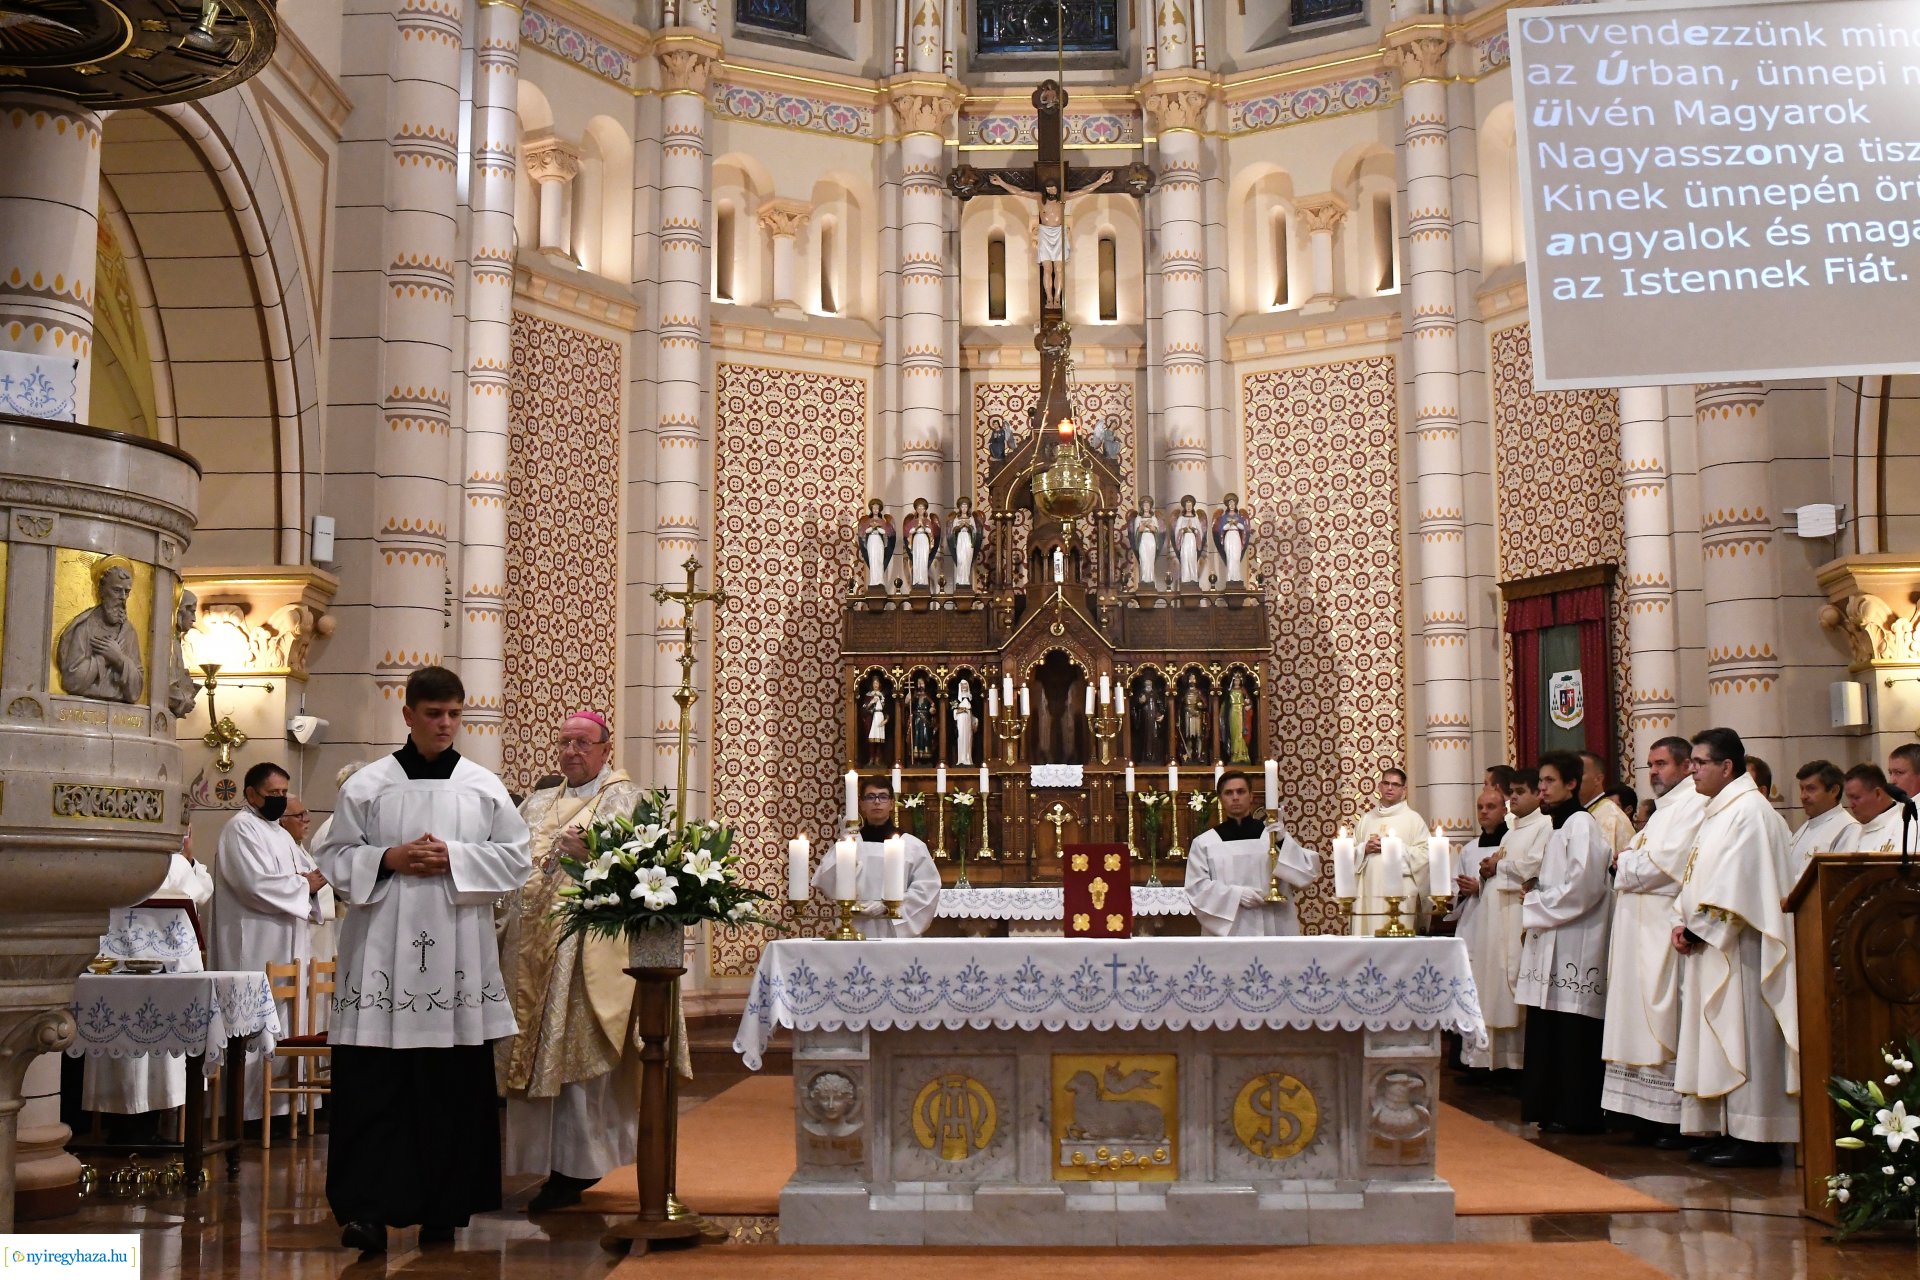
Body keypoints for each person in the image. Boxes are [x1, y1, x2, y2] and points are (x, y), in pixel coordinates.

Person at [315, 665, 532, 1252]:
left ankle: (445, 1206)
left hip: (455, 964)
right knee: (374, 1089)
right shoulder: (368, 785)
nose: (444, 724)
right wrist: (387, 858)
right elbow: (332, 856)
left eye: (454, 714)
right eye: (433, 714)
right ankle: (366, 1210)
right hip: (382, 962)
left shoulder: (482, 786)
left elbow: (517, 860)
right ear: (407, 715)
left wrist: (454, 859)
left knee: (449, 1093)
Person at [498, 712, 645, 1212]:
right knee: (532, 1065)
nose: (571, 751)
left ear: (607, 748)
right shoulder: (537, 802)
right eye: (564, 742)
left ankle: (574, 1166)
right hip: (527, 948)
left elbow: (647, 875)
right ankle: (537, 1160)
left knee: (574, 1062)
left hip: (584, 950)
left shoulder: (628, 800)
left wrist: (599, 854)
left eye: (583, 743)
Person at [1672, 727, 1797, 1168]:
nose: (1691, 771)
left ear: (1727, 766)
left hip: (1745, 951)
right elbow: (1697, 878)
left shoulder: (1750, 813)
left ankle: (1756, 1134)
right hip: (1713, 943)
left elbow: (1740, 887)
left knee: (1745, 1038)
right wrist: (1682, 921)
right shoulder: (1719, 811)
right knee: (1722, 1037)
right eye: (1690, 762)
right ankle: (1725, 1127)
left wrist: (1697, 928)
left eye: (1699, 763)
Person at [1600, 736, 1706, 1147]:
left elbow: (1666, 866)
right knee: (1636, 1016)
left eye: (1661, 764)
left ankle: (1668, 1116)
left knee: (1662, 1019)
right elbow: (1631, 858)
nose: (1654, 772)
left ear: (1684, 766)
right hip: (1636, 931)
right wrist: (1628, 861)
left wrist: (1625, 863)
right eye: (1650, 765)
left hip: (1660, 930)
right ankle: (1642, 1113)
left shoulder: (1692, 806)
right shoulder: (1663, 812)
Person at [212, 761, 323, 1124]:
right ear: (250, 794)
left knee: (286, 1025)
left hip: (287, 945)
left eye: (282, 793)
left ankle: (283, 1109)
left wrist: (312, 883)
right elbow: (254, 884)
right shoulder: (240, 830)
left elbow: (310, 875)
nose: (279, 800)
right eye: (272, 794)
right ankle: (248, 1114)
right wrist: (304, 885)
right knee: (254, 1025)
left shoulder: (276, 831)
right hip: (254, 944)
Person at [83, 830, 216, 1133]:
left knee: (119, 1044)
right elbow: (199, 893)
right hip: (167, 970)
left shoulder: (110, 861)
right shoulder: (173, 865)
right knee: (158, 1051)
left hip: (118, 967)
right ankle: (156, 1126)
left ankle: (113, 1127)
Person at [1516, 751, 1613, 1134]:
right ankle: (1551, 1105)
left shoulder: (1581, 824)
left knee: (1573, 1033)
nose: (1542, 789)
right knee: (1550, 1028)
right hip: (1556, 937)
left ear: (1572, 784)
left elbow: (1585, 886)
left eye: (1549, 781)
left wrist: (1537, 902)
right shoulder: (1560, 826)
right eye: (1540, 782)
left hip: (1576, 943)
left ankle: (1576, 1111)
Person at [1466, 770, 1552, 1072]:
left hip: (1516, 915)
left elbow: (1536, 865)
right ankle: (1492, 1061)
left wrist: (1498, 865)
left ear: (1536, 795)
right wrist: (1489, 868)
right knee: (1491, 985)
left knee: (1511, 984)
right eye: (1511, 792)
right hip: (1493, 916)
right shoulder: (1513, 829)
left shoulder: (1545, 825)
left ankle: (1517, 1063)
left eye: (1519, 792)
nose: (1512, 797)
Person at [1184, 770, 1320, 936]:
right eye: (1229, 793)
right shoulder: (1205, 843)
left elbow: (1306, 874)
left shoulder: (1271, 836)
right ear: (1220, 799)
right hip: (1231, 932)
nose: (1235, 797)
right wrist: (1236, 895)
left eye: (1241, 791)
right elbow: (1197, 889)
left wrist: (1283, 841)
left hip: (1273, 923)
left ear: (1251, 796)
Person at [811, 777, 940, 938]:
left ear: (892, 803)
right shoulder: (850, 843)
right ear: (862, 804)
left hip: (893, 931)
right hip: (854, 927)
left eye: (883, 796)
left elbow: (927, 890)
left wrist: (888, 905)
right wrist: (842, 847)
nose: (877, 802)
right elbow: (826, 880)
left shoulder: (912, 846)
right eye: (870, 797)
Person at [1349, 768, 1432, 937]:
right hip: (1367, 893)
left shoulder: (1413, 819)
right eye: (1386, 783)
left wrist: (1394, 848)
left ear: (1404, 790)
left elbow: (1425, 856)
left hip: (1400, 894)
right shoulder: (1366, 819)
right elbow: (1348, 856)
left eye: (1395, 784)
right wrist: (1364, 849)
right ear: (1379, 786)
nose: (1390, 788)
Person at [54, 558, 145, 702]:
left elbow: (136, 690)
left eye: (126, 592)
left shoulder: (129, 632)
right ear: (101, 589)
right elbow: (71, 681)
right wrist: (104, 658)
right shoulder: (84, 627)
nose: (122, 598)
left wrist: (120, 660)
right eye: (116, 590)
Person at [1788, 760, 1851, 871]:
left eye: (1810, 789)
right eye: (1801, 789)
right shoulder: (1805, 827)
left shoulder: (1848, 829)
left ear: (1834, 791)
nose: (1803, 796)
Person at [1578, 750, 1635, 855]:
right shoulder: (1579, 812)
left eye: (1578, 773)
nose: (1572, 779)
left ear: (1598, 779)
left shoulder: (1611, 818)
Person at [1838, 763, 1903, 852]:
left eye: (1856, 797)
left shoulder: (1906, 824)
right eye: (1849, 798)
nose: (1851, 805)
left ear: (1878, 794)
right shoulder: (1854, 833)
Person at [855, 499, 895, 589]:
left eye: (877, 508)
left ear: (879, 509)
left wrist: (877, 527)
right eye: (874, 508)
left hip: (879, 541)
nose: (876, 510)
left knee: (879, 560)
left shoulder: (882, 521)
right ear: (871, 509)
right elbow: (864, 531)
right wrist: (872, 528)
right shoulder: (868, 521)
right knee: (873, 561)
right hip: (871, 542)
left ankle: (880, 580)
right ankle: (873, 581)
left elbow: (886, 532)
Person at [903, 499, 940, 589]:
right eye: (919, 508)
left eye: (922, 508)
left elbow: (930, 531)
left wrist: (923, 527)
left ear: (925, 510)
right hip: (916, 540)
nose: (920, 510)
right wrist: (916, 528)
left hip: (924, 541)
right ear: (916, 509)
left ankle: (923, 580)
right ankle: (916, 580)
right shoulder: (913, 521)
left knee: (923, 560)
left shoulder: (927, 521)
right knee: (916, 560)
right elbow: (909, 531)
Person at [1130, 501, 1164, 589]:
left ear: (1150, 507)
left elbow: (1155, 530)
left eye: (1147, 505)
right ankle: (1144, 579)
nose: (1146, 507)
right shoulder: (1138, 518)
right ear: (1141, 507)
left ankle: (1151, 579)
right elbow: (1138, 531)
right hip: (1143, 539)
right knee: (1143, 559)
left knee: (1150, 559)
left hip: (1151, 539)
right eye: (1144, 505)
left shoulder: (1154, 518)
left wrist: (1147, 524)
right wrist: (1146, 524)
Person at [1173, 495, 1205, 585]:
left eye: (1190, 505)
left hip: (1192, 540)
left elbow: (1200, 533)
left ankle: (1193, 578)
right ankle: (1186, 579)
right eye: (1187, 505)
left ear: (1193, 506)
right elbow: (1177, 532)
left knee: (1192, 558)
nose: (1188, 507)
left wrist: (1194, 529)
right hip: (1185, 541)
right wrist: (1184, 529)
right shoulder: (1181, 519)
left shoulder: (1195, 519)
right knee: (1185, 557)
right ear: (1184, 506)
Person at [952, 679, 977, 768]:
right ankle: (961, 759)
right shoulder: (957, 699)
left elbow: (974, 713)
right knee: (961, 737)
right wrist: (961, 710)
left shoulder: (971, 698)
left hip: (968, 721)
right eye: (962, 685)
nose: (964, 686)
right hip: (960, 721)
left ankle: (968, 759)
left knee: (968, 738)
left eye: (965, 684)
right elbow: (954, 710)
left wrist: (975, 721)